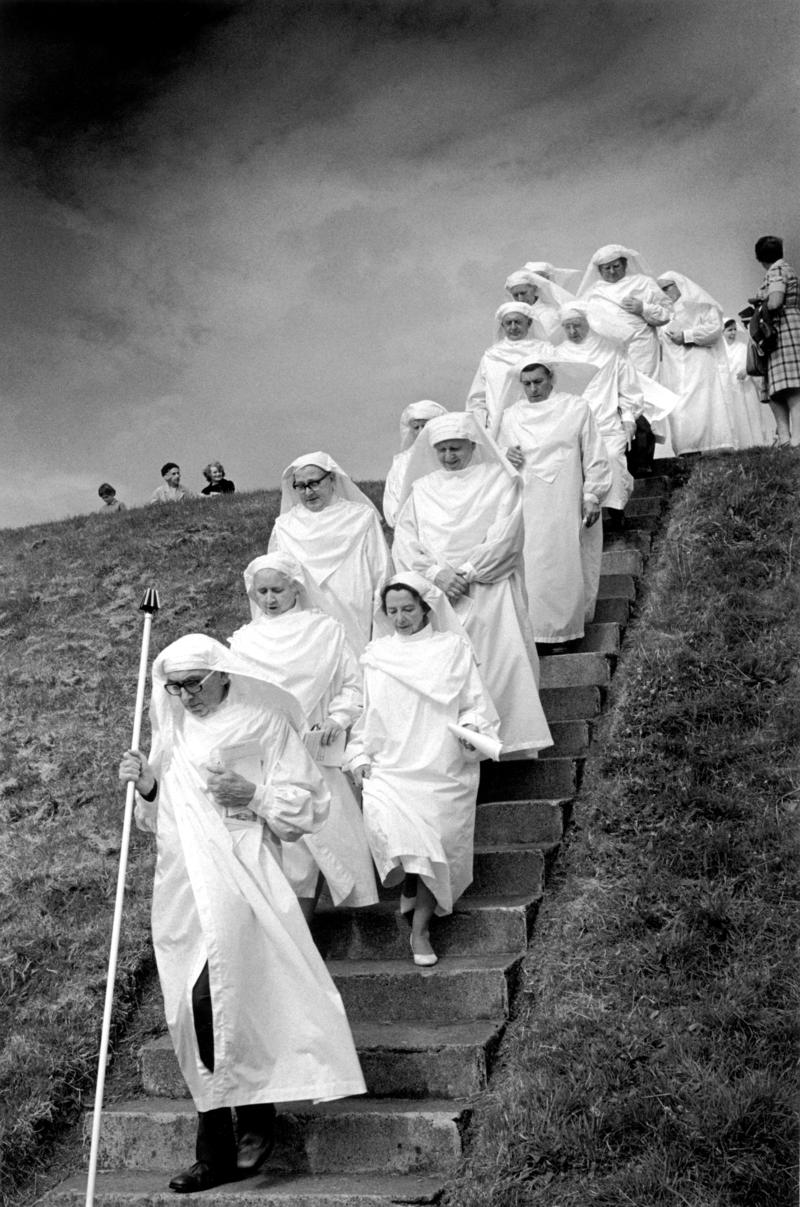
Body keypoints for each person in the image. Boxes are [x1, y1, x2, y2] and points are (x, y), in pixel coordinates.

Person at [118, 634, 365, 1194]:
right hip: (181, 883)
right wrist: (148, 785)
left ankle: (251, 1122)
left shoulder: (263, 722)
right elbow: (160, 818)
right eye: (174, 688)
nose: (184, 697)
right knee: (188, 1011)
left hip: (243, 873)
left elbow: (307, 803)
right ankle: (218, 1151)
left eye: (193, 685)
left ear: (222, 673)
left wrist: (251, 793)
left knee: (219, 996)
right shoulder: (174, 727)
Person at [346, 573, 500, 966]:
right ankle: (411, 881)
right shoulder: (377, 656)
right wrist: (360, 756)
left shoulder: (452, 649)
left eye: (408, 609)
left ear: (426, 608)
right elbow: (367, 714)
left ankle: (420, 930)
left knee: (435, 849)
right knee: (400, 837)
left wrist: (472, 731)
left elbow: (473, 704)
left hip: (441, 765)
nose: (400, 618)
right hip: (391, 767)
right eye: (392, 610)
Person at [229, 553, 377, 920]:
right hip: (269, 751)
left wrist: (337, 718)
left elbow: (351, 685)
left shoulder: (325, 631)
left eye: (277, 589)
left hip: (317, 747)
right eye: (261, 591)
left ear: (296, 587)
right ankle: (299, 930)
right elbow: (236, 698)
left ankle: (337, 911)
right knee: (288, 845)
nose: (269, 599)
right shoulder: (244, 641)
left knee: (331, 826)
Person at [393, 412, 552, 755]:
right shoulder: (422, 490)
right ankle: (460, 750)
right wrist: (437, 575)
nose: (449, 457)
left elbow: (507, 536)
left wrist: (466, 572)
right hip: (440, 594)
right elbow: (406, 541)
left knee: (501, 665)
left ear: (472, 445)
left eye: (456, 448)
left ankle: (512, 745)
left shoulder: (499, 479)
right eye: (442, 450)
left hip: (491, 591)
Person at [498, 360, 612, 651]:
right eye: (527, 383)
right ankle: (535, 632)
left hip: (564, 496)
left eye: (538, 381)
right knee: (532, 562)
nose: (533, 389)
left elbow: (595, 454)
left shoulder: (576, 408)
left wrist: (592, 496)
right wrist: (504, 454)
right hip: (527, 499)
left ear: (551, 379)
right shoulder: (511, 416)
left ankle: (565, 631)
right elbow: (496, 455)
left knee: (563, 557)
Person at [268, 452, 392, 656]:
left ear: (332, 479)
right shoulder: (285, 526)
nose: (308, 492)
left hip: (353, 610)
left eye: (314, 483)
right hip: (306, 615)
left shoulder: (361, 517)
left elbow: (381, 570)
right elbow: (275, 577)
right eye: (300, 486)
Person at [558, 302, 640, 525]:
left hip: (607, 423)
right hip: (574, 425)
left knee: (612, 457)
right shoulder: (559, 356)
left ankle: (615, 510)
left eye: (577, 325)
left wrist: (629, 417)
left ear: (588, 323)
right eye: (567, 327)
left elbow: (628, 388)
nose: (573, 332)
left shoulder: (611, 351)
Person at [655, 271, 736, 455]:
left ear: (679, 284)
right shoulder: (662, 314)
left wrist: (686, 335)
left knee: (703, 405)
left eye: (667, 287)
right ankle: (685, 450)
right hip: (673, 371)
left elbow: (714, 329)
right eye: (660, 290)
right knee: (679, 410)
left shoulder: (702, 305)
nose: (664, 293)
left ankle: (711, 449)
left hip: (699, 365)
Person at [578, 244, 671, 375]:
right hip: (608, 351)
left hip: (641, 348)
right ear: (599, 270)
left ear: (625, 265)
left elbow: (667, 314)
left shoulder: (643, 283)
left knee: (645, 387)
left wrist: (643, 308)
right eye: (607, 268)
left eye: (616, 266)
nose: (612, 271)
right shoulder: (593, 293)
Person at [466, 302, 556, 436]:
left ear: (529, 323)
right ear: (502, 325)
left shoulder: (546, 351)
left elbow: (556, 388)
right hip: (500, 429)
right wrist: (482, 429)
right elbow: (477, 399)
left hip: (540, 426)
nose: (513, 327)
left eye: (518, 322)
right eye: (508, 323)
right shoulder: (491, 356)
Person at [753, 235, 800, 446]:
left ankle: (795, 439)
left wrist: (760, 304)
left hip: (784, 328)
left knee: (791, 387)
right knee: (779, 388)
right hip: (786, 327)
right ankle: (786, 438)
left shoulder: (777, 270)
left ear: (760, 258)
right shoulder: (785, 268)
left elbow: (775, 301)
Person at [382, 400, 447, 527]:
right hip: (410, 525)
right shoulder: (401, 462)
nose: (421, 431)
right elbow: (393, 498)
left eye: (425, 425)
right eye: (416, 427)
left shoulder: (450, 458)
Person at [722, 317, 774, 447]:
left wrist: (746, 371)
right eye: (729, 330)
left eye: (734, 329)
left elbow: (752, 364)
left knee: (749, 414)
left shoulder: (742, 348)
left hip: (745, 387)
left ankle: (752, 444)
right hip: (728, 388)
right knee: (732, 416)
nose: (733, 333)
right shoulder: (719, 350)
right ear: (722, 331)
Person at [504, 267, 573, 342]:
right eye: (516, 295)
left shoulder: (550, 313)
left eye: (523, 293)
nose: (520, 299)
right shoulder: (510, 315)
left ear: (534, 289)